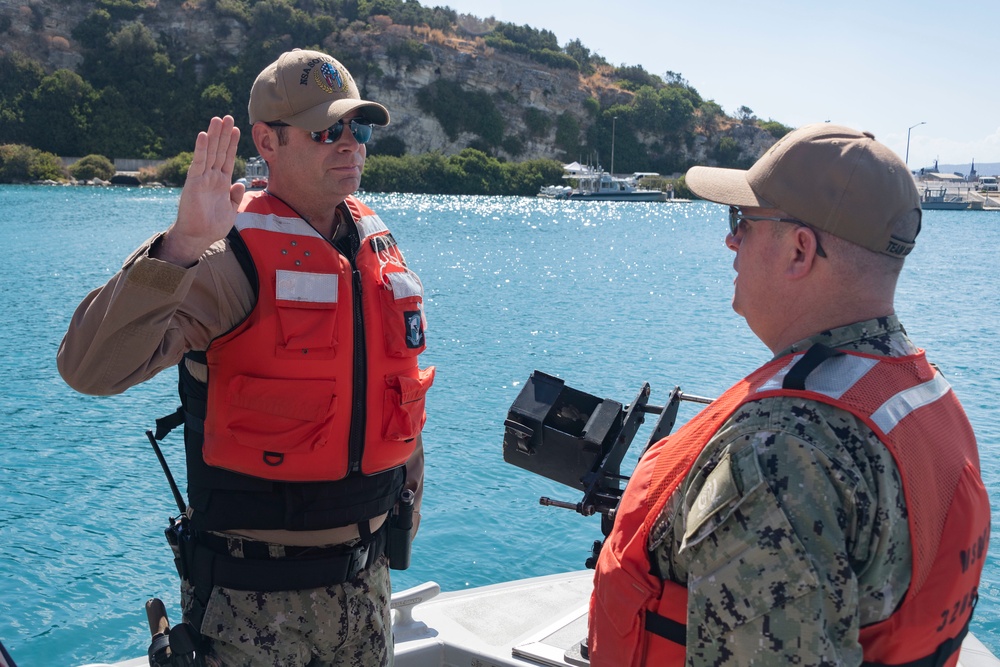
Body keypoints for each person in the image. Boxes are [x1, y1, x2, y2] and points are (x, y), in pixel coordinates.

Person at [58, 48, 434, 666]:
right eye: (326, 129)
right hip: (255, 607)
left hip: (367, 594)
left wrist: (404, 506)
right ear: (268, 140)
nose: (350, 144)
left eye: (358, 127)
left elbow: (391, 394)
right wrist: (179, 247)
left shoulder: (375, 249)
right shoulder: (224, 258)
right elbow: (88, 370)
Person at [588, 123, 990, 666]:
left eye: (742, 222)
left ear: (800, 250)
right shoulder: (921, 393)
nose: (731, 240)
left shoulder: (776, 455)